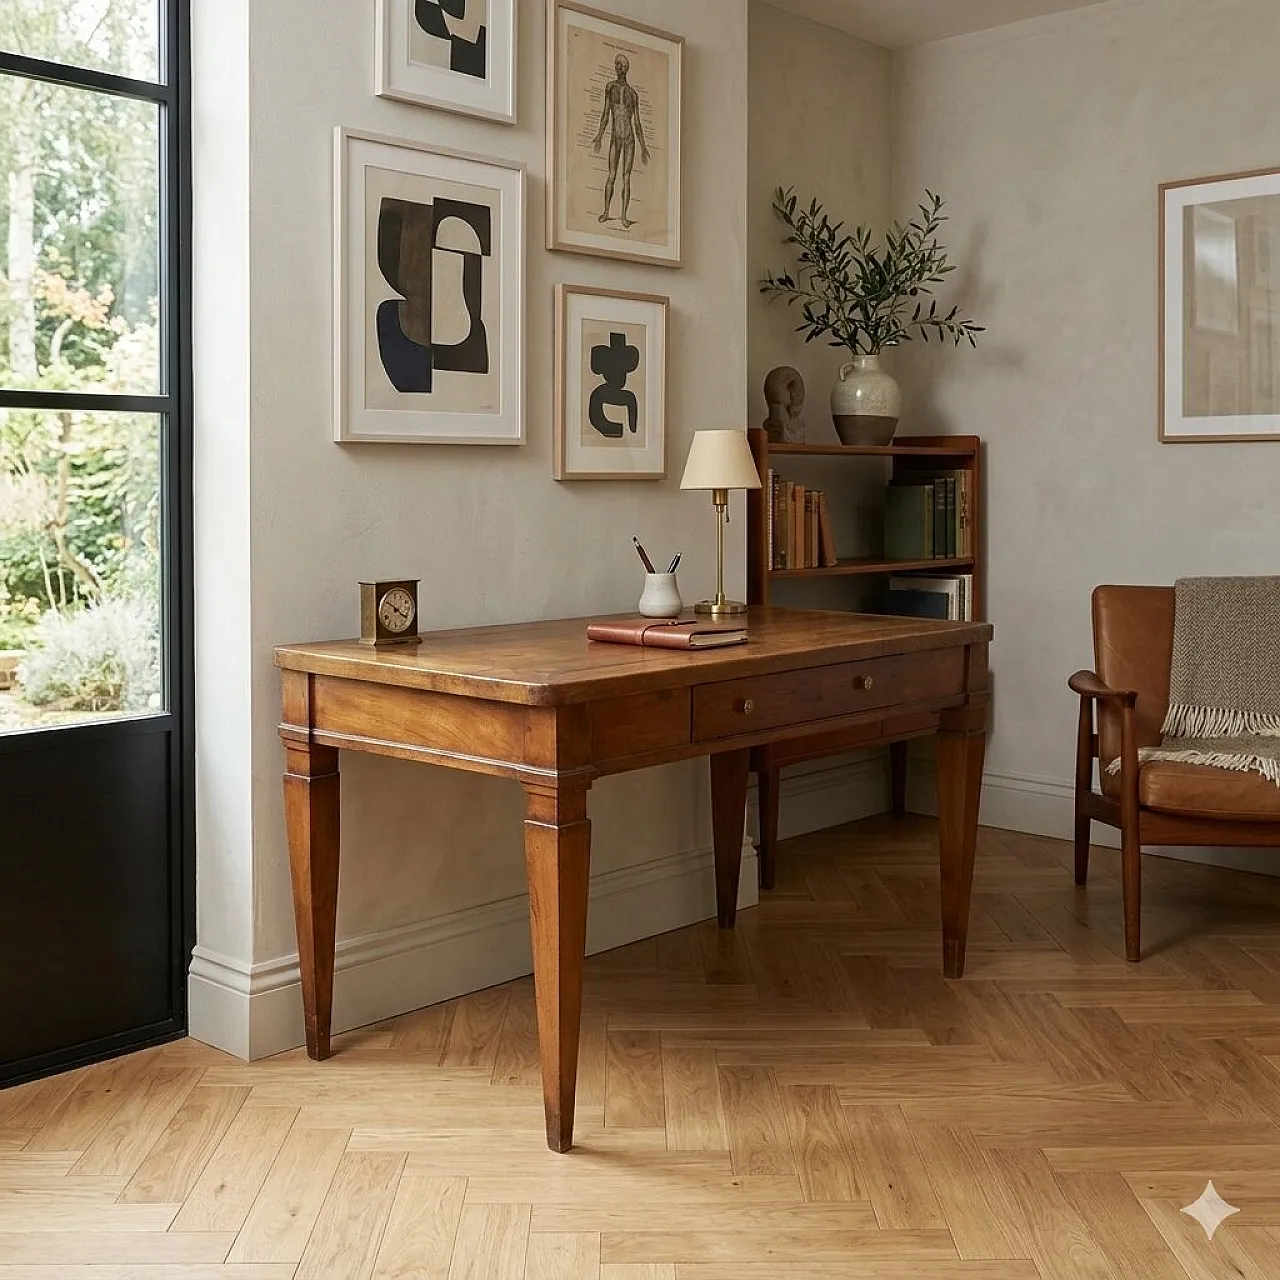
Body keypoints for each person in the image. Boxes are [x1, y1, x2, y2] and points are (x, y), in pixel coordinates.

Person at [592, 54, 649, 229]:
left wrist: (643, 146)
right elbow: (605, 114)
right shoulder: (610, 88)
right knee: (611, 175)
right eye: (616, 65)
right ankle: (607, 212)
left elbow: (637, 122)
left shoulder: (633, 94)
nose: (617, 68)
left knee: (626, 177)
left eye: (620, 65)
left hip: (629, 138)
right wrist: (600, 135)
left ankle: (624, 216)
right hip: (615, 138)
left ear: (625, 68)